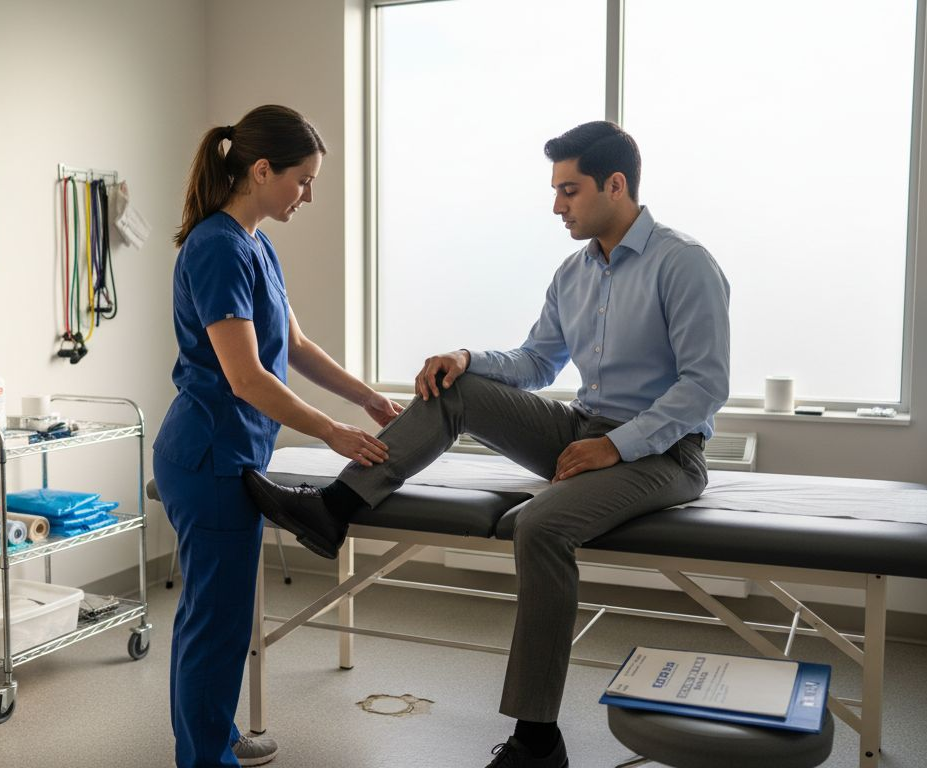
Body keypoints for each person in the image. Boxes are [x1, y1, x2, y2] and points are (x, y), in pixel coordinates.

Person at [245, 121, 731, 768]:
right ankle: (334, 510)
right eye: (556, 190)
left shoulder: (683, 262)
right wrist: (465, 356)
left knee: (542, 526)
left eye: (570, 189)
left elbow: (705, 387)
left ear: (616, 185)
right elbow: (535, 362)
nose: (557, 205)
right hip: (583, 430)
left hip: (665, 454)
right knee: (458, 386)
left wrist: (617, 448)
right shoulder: (575, 272)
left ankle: (537, 741)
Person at [153, 104, 402, 768]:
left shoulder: (257, 244)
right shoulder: (215, 247)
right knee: (218, 622)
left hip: (234, 452)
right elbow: (247, 377)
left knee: (219, 615)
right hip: (209, 455)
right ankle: (207, 757)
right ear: (261, 170)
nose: (308, 195)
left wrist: (370, 399)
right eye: (302, 180)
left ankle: (212, 733)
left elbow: (295, 345)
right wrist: (332, 433)